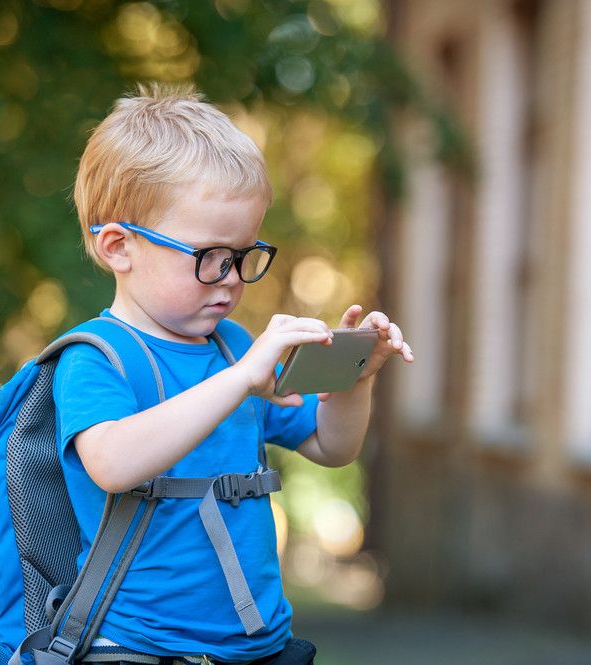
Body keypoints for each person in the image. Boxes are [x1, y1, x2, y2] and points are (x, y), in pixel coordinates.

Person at [54, 83, 413, 665]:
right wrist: (243, 378)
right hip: (139, 648)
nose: (232, 278)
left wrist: (357, 376)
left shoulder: (233, 349)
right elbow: (113, 464)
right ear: (120, 246)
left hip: (258, 645)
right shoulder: (98, 358)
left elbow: (330, 445)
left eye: (244, 255)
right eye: (210, 256)